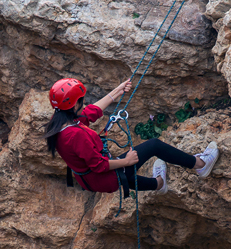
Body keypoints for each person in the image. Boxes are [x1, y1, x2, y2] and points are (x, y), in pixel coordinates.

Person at [42, 77, 220, 196]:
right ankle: (201, 165)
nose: (84, 102)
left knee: (127, 174)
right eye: (81, 100)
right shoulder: (75, 135)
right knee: (154, 146)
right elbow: (99, 165)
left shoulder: (59, 121)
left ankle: (158, 184)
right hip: (103, 177)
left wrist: (117, 91)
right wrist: (126, 161)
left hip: (88, 179)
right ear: (73, 106)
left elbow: (90, 113)